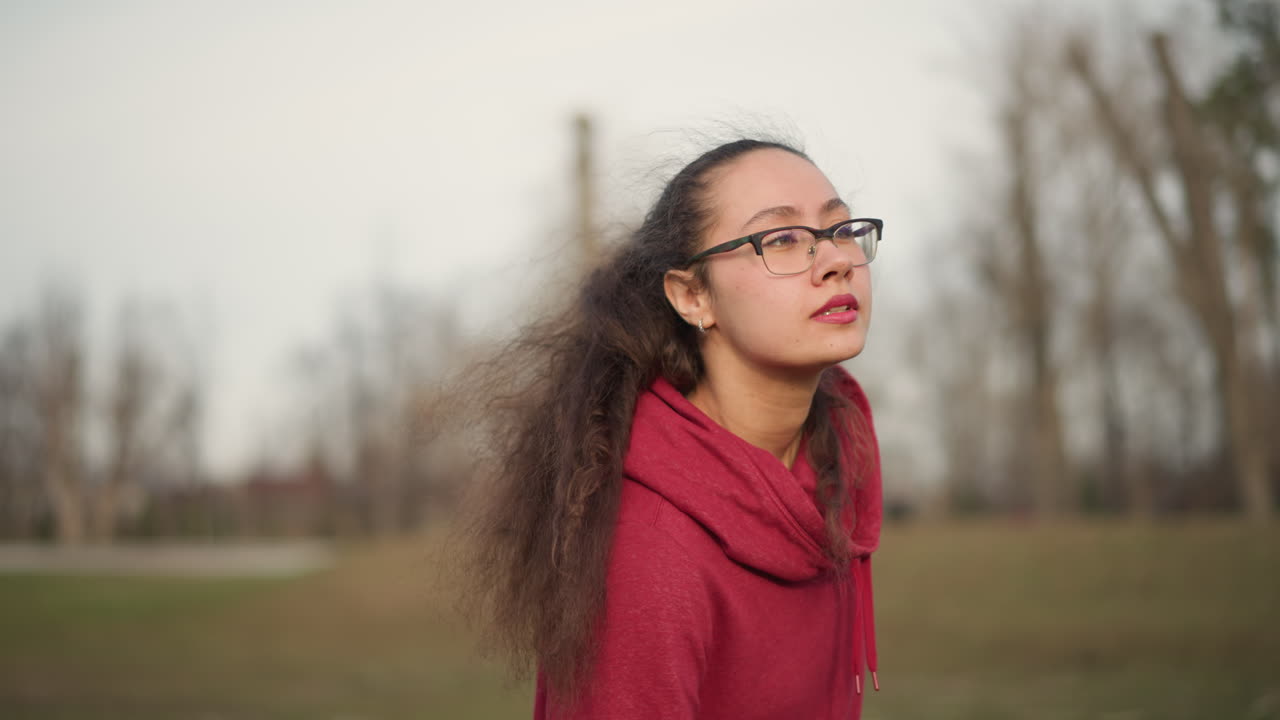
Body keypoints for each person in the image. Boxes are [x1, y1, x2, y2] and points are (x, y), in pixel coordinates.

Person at [454, 137, 884, 719]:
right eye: (781, 239)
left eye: (839, 230)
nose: (836, 260)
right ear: (692, 296)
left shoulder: (831, 470)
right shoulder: (650, 551)